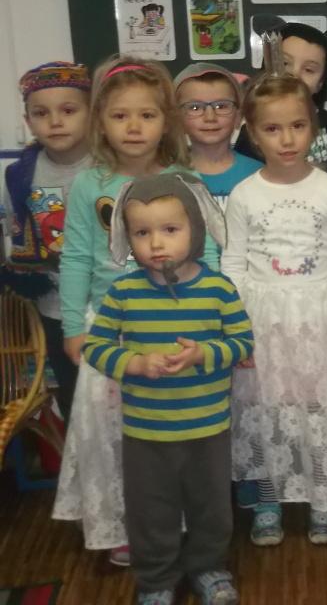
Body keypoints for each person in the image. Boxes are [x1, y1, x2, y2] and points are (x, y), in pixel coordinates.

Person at [53, 57, 217, 565]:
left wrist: (211, 320)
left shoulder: (184, 178)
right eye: (120, 115)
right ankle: (124, 526)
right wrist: (73, 326)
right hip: (111, 330)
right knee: (115, 435)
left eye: (147, 115)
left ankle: (178, 521)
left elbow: (208, 253)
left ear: (166, 121)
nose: (133, 126)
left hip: (174, 324)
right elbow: (76, 257)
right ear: (100, 121)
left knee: (171, 432)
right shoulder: (89, 184)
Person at [84, 174, 253, 605]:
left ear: (195, 229)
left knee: (210, 506)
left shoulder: (218, 288)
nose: (156, 243)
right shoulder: (123, 292)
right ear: (127, 237)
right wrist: (135, 363)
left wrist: (203, 354)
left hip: (207, 427)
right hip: (146, 430)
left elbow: (242, 344)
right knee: (150, 510)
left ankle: (209, 567)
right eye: (142, 233)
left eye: (170, 229)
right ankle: (156, 580)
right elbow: (96, 347)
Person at [223, 60, 327, 547]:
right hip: (263, 320)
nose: (287, 139)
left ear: (314, 127)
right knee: (267, 408)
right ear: (253, 134)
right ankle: (268, 501)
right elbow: (234, 263)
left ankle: (324, 499)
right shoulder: (244, 194)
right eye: (272, 129)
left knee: (317, 406)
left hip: (320, 317)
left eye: (298, 126)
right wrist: (233, 325)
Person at [2, 62, 92, 421]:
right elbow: (18, 227)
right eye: (41, 113)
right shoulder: (22, 175)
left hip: (114, 303)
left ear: (92, 113)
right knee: (75, 401)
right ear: (28, 120)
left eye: (68, 110)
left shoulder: (110, 164)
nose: (55, 122)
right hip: (57, 309)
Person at [234, 17, 327, 198]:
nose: (295, 75)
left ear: (320, 83)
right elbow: (241, 179)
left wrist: (312, 174)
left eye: (309, 69)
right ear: (266, 69)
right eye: (285, 63)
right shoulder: (252, 130)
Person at [174, 63, 261, 212]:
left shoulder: (258, 174)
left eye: (221, 106)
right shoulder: (168, 175)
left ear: (238, 116)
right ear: (177, 118)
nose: (210, 117)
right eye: (195, 107)